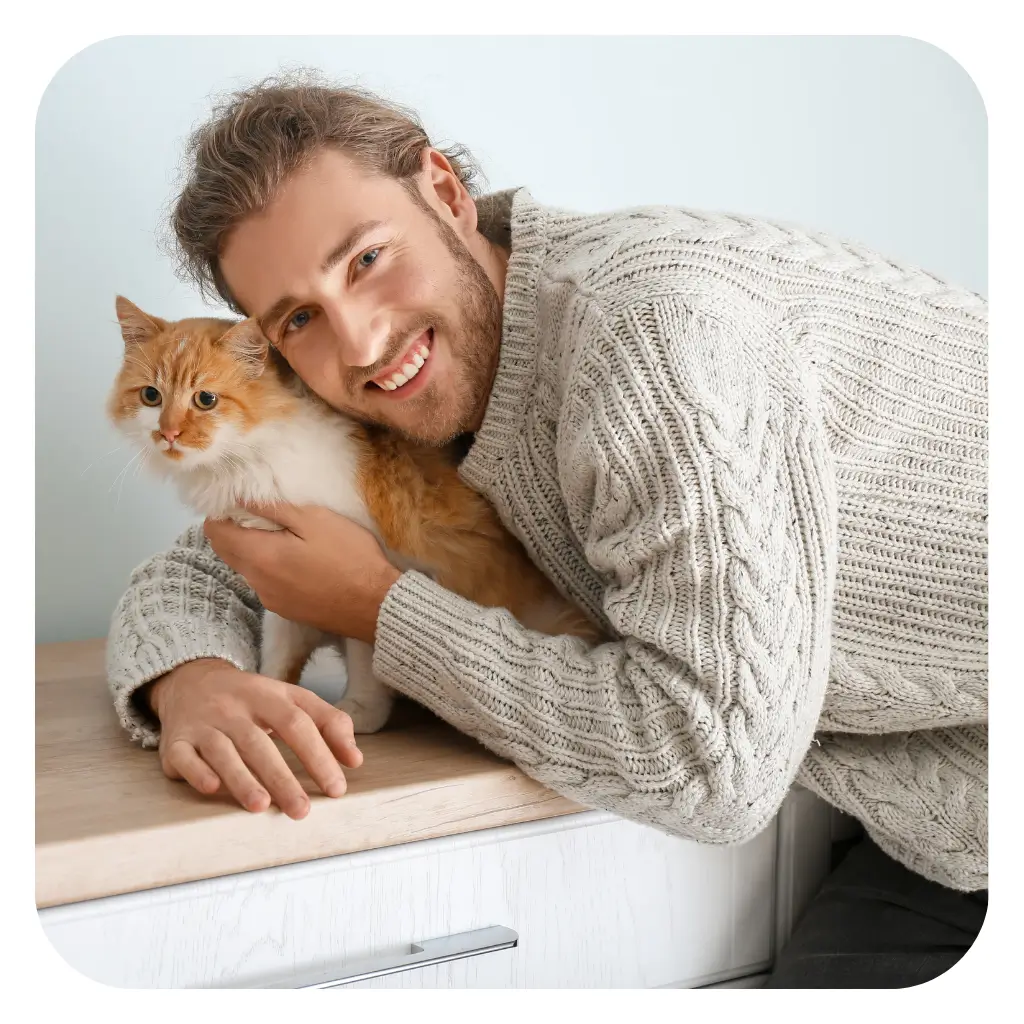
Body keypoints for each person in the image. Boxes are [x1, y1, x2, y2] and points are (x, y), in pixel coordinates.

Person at [105, 73, 987, 987]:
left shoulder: (646, 339)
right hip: (921, 819)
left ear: (445, 193)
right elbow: (237, 552)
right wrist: (191, 680)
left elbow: (705, 763)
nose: (360, 341)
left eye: (365, 258)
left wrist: (382, 607)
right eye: (299, 318)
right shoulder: (414, 375)